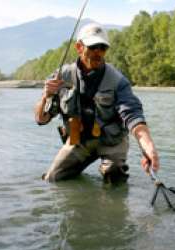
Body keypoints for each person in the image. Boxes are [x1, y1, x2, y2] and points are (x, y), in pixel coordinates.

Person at [34, 22, 159, 183]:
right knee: (52, 179)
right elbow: (41, 119)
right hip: (78, 141)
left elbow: (133, 116)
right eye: (93, 47)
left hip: (112, 142)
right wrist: (46, 96)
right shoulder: (61, 77)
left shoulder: (118, 81)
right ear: (79, 47)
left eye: (103, 48)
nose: (98, 52)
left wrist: (148, 147)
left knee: (115, 177)